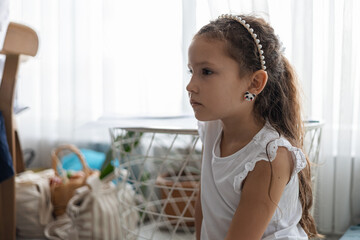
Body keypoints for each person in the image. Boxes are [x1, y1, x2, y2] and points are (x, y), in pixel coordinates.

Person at [186, 14, 320, 240]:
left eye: (206, 72)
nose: (190, 86)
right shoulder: (212, 127)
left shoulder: (269, 157)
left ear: (254, 83)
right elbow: (205, 201)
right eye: (192, 71)